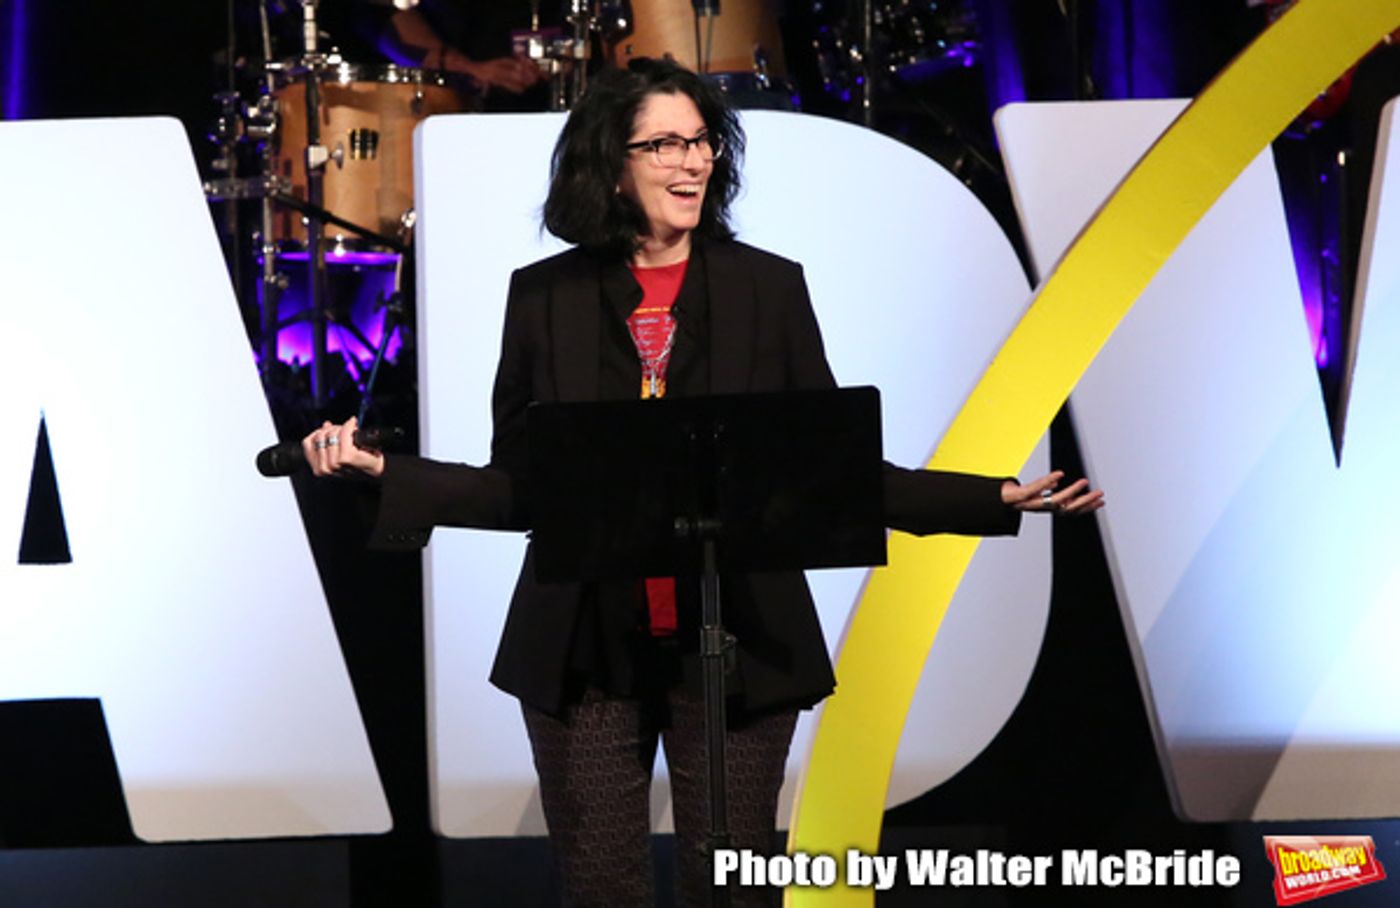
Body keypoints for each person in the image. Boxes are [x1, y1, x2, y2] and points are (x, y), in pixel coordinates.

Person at [303, 57, 1103, 907]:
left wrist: (989, 497)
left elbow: (823, 468)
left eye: (703, 141)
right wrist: (385, 471)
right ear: (610, 161)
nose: (692, 162)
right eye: (664, 144)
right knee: (602, 887)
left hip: (739, 639)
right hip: (586, 645)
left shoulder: (768, 288)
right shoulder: (545, 298)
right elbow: (524, 489)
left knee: (729, 886)